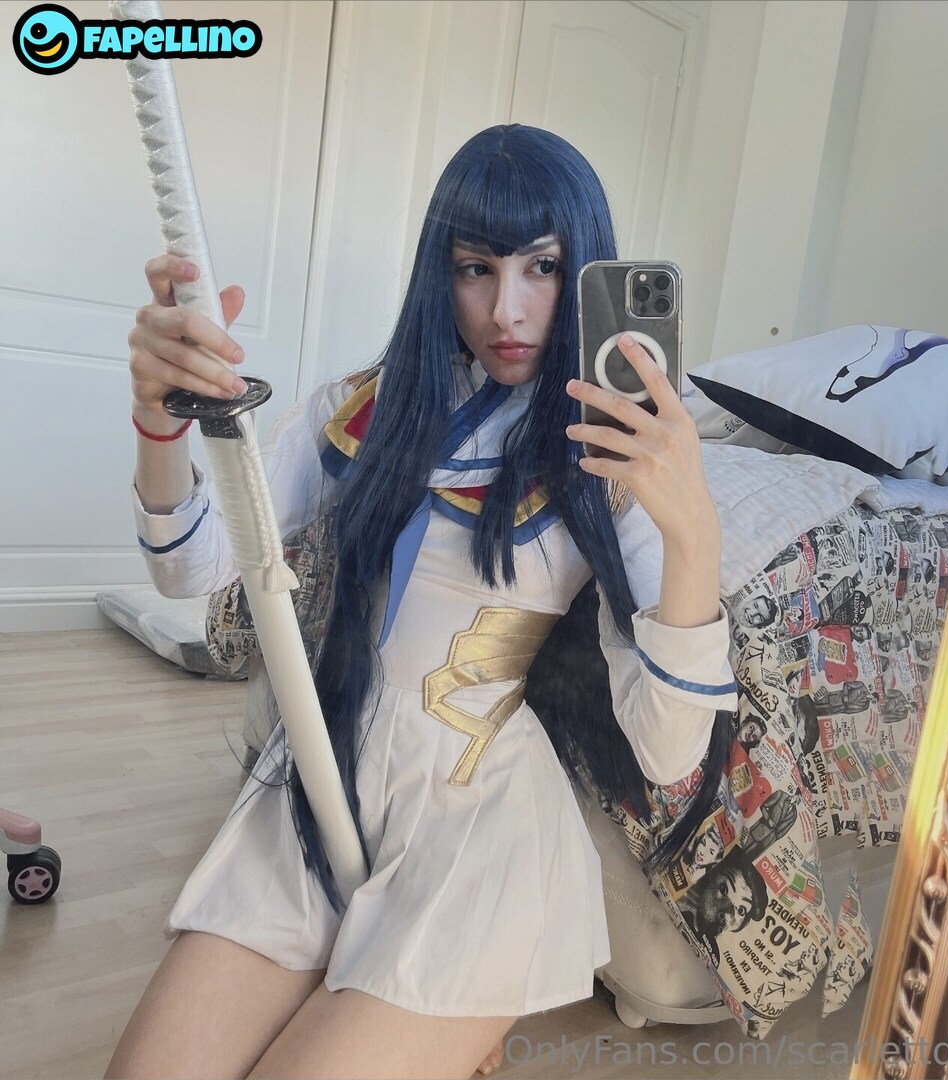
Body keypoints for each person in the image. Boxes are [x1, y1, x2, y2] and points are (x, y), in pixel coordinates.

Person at [107, 125, 738, 1080]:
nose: (506, 310)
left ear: (584, 270)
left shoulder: (614, 452)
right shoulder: (357, 408)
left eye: (542, 268)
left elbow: (670, 752)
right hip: (322, 780)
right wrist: (159, 419)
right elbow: (189, 570)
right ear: (439, 274)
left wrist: (693, 536)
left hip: (475, 826)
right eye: (475, 268)